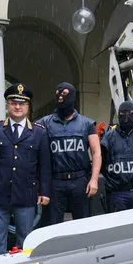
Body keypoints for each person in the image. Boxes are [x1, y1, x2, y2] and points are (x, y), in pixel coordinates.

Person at [0, 83, 51, 256]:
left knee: (25, 239)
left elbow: (45, 166)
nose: (18, 107)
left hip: (26, 194)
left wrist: (45, 191)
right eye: (13, 103)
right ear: (7, 105)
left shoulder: (39, 133)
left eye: (22, 103)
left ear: (28, 107)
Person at [37, 82, 101, 225]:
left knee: (82, 224)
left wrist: (94, 179)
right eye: (58, 93)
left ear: (72, 96)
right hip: (55, 182)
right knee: (52, 225)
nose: (60, 97)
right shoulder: (44, 123)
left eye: (65, 94)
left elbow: (96, 152)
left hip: (80, 181)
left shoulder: (87, 123)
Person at [100, 101, 133, 212]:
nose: (126, 116)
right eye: (122, 113)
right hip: (116, 194)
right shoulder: (108, 138)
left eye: (130, 112)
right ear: (118, 115)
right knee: (117, 227)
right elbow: (102, 162)